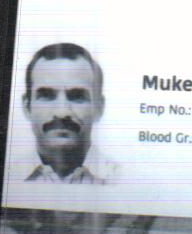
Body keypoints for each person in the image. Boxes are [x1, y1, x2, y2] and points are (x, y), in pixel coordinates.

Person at [18, 42, 118, 184]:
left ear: (99, 108)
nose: (62, 112)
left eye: (77, 96)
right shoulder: (5, 176)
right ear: (27, 107)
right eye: (46, 96)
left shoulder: (126, 180)